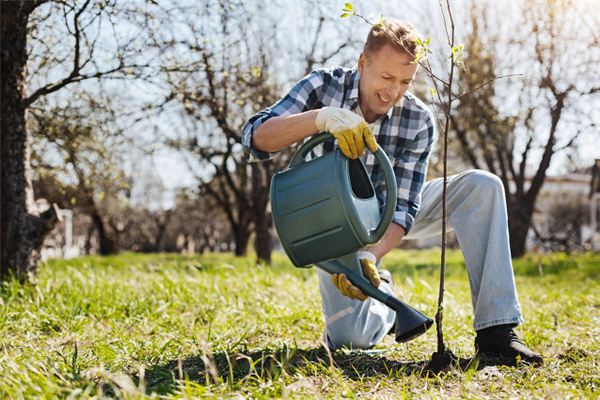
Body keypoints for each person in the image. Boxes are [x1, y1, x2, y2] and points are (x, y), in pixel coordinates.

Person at [241, 19, 543, 366]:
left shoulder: (418, 120)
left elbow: (404, 206)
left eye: (405, 81)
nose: (393, 92)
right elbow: (257, 136)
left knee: (482, 186)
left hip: (387, 215)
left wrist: (371, 254)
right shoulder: (323, 86)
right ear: (363, 63)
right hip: (335, 225)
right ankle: (383, 296)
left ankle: (497, 333)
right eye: (386, 78)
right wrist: (321, 118)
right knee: (349, 339)